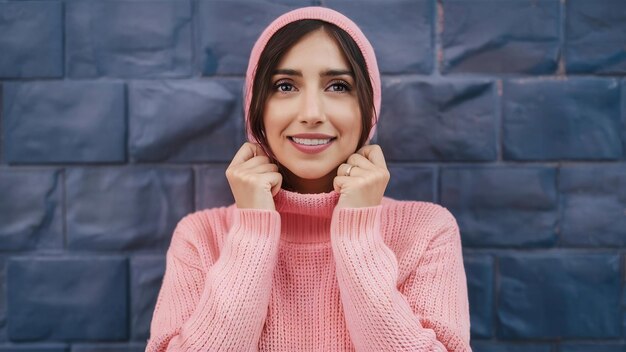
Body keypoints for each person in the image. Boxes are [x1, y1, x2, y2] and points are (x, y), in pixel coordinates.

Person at [146, 6, 471, 352]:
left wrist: (357, 232)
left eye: (338, 86)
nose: (312, 114)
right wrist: (253, 231)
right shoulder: (201, 237)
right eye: (285, 86)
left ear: (368, 105)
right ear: (257, 107)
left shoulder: (427, 231)